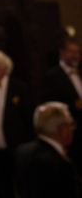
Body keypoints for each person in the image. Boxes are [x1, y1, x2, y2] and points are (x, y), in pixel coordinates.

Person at [0, 49, 34, 198]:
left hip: (16, 149)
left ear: (5, 67)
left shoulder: (19, 87)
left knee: (23, 187)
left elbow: (29, 119)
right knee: (1, 188)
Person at [15, 102, 82, 198]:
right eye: (71, 124)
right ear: (62, 130)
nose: (73, 129)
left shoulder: (22, 151)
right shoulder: (62, 164)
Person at [43, 37, 82, 172]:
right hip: (69, 132)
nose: (76, 56)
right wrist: (73, 105)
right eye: (71, 52)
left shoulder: (80, 71)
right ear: (62, 52)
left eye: (77, 52)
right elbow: (50, 105)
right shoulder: (52, 76)